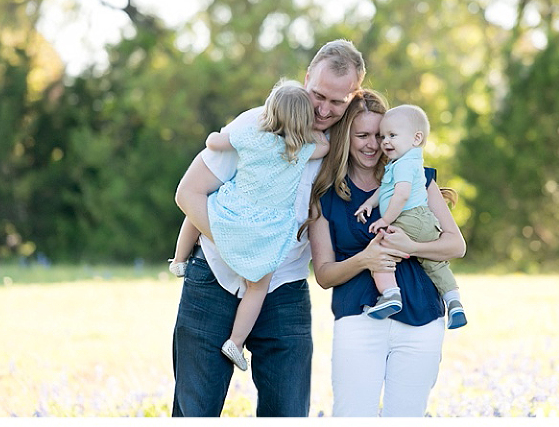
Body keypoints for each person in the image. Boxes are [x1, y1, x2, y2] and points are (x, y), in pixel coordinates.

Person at [170, 39, 365, 417]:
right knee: (194, 411)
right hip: (214, 279)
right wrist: (242, 251)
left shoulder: (341, 146)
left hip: (284, 287)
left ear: (352, 97)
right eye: (318, 95)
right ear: (306, 78)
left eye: (337, 103)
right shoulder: (258, 124)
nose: (324, 110)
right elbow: (188, 193)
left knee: (288, 413)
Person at [307, 91, 467, 417]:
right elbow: (324, 274)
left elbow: (455, 245)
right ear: (344, 138)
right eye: (362, 135)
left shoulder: (417, 178)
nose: (372, 145)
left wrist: (414, 248)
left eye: (380, 136)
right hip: (359, 319)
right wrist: (364, 259)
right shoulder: (325, 195)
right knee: (352, 416)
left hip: (421, 318)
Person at [171, 81, 329, 372]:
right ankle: (236, 341)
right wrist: (311, 131)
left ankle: (179, 260)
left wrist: (218, 135)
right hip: (265, 232)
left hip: (234, 211)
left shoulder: (251, 134)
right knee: (258, 287)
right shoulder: (303, 148)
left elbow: (214, 142)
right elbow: (326, 146)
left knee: (202, 206)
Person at [353, 104, 467, 326]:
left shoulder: (404, 165)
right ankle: (454, 302)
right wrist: (369, 203)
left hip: (408, 218)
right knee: (436, 264)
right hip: (425, 222)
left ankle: (390, 294)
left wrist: (385, 220)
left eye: (392, 135)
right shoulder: (406, 162)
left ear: (416, 138)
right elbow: (385, 189)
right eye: (383, 136)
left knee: (381, 252)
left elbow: (401, 195)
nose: (385, 141)